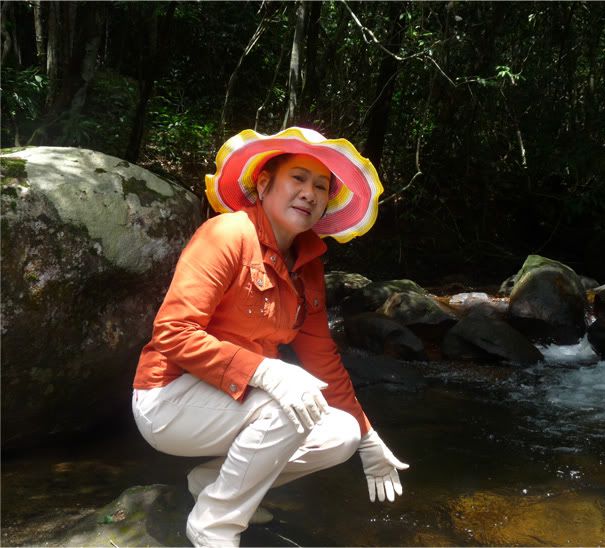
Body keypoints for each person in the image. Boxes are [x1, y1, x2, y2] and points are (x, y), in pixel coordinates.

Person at [131, 127, 409, 547]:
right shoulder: (226, 234)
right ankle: (213, 527)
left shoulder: (308, 264)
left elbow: (322, 358)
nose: (309, 194)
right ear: (263, 184)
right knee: (288, 401)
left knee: (341, 434)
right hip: (168, 398)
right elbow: (173, 333)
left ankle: (212, 485)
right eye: (298, 178)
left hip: (237, 400)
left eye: (321, 187)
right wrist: (268, 372)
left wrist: (368, 437)